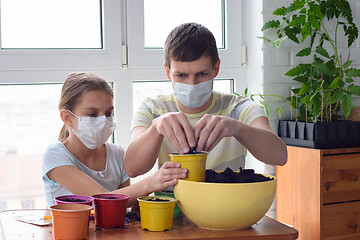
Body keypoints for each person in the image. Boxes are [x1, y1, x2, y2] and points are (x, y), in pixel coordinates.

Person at [124, 22, 287, 178]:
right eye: (181, 75)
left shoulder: (239, 108)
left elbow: (279, 156)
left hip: (225, 204)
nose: (192, 83)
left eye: (202, 74)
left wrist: (238, 128)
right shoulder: (152, 109)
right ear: (168, 72)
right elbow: (132, 169)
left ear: (215, 69)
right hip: (170, 206)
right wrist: (155, 128)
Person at [42, 72, 187, 207]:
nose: (103, 120)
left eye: (108, 113)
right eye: (92, 114)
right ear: (67, 117)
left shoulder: (117, 155)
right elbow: (102, 200)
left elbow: (126, 205)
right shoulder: (55, 156)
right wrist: (152, 182)